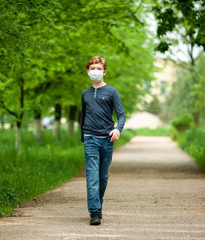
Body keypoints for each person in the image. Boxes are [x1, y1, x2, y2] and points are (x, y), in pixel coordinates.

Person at [80, 56, 126, 225]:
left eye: (99, 69)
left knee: (102, 177)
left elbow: (121, 115)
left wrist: (117, 129)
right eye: (93, 69)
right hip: (90, 138)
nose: (96, 72)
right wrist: (82, 138)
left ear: (104, 71)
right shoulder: (85, 94)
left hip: (107, 140)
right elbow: (83, 116)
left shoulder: (112, 92)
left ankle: (98, 203)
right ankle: (95, 212)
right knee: (92, 177)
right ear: (87, 71)